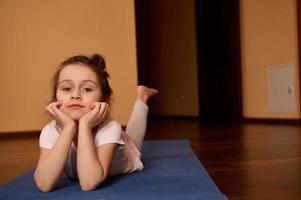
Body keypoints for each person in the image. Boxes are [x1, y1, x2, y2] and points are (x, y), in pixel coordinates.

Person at [34, 54, 158, 192]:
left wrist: (85, 126)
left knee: (134, 141)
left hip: (126, 154)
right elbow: (44, 184)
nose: (75, 95)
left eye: (87, 89)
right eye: (66, 89)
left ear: (103, 98)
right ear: (55, 96)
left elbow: (89, 183)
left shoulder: (110, 128)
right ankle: (142, 96)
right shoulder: (51, 131)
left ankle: (142, 97)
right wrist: (68, 128)